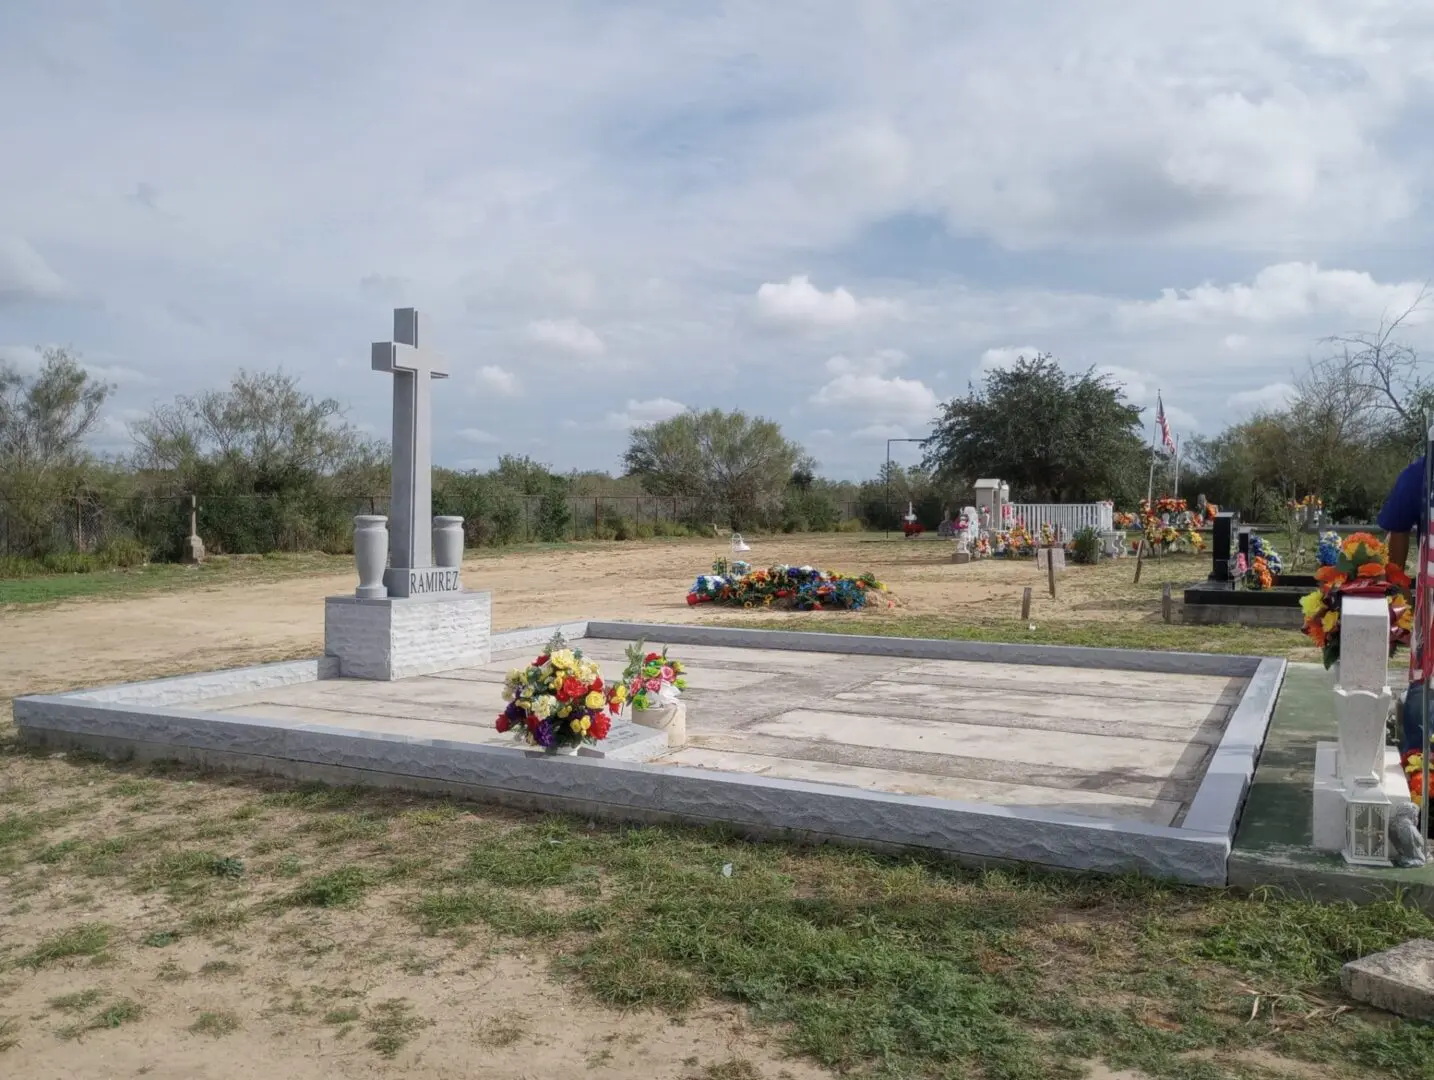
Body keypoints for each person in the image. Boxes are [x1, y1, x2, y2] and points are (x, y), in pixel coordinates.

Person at [1379, 454, 1428, 767]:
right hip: (1431, 602)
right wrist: (1399, 589)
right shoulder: (1424, 471)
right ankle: (1419, 770)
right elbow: (1397, 527)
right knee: (1425, 692)